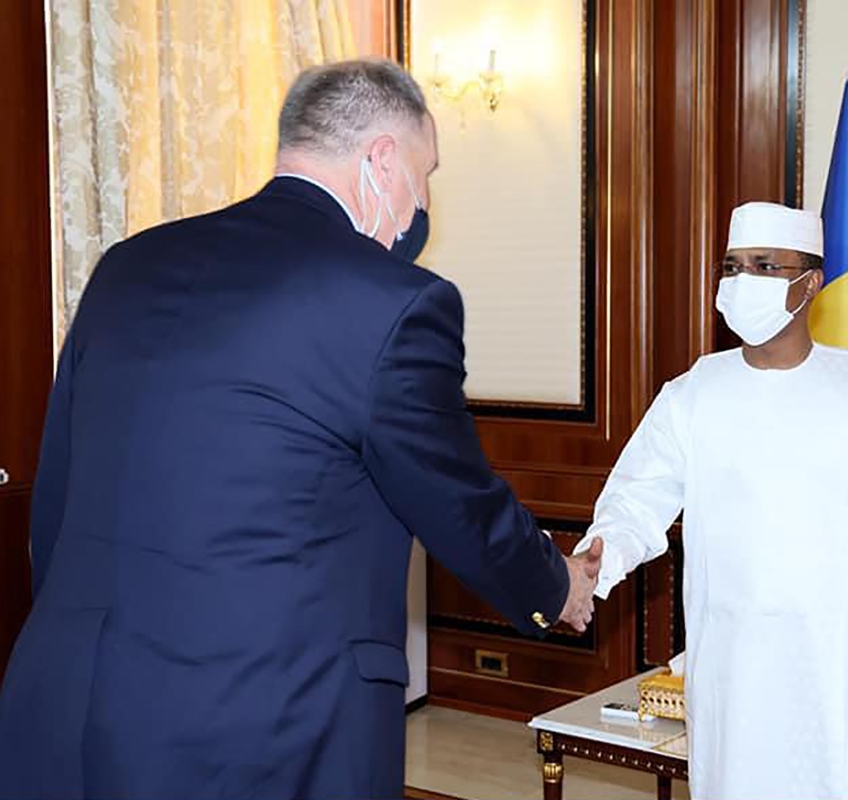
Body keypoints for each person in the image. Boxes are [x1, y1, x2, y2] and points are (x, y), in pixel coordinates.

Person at [0, 59, 603, 800]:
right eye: (426, 173)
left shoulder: (128, 266)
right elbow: (454, 498)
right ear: (382, 161)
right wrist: (556, 584)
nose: (423, 201)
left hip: (68, 696)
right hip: (256, 723)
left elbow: (57, 492)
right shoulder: (396, 302)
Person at [574, 202, 848, 799]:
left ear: (810, 283)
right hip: (735, 673)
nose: (740, 280)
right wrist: (594, 564)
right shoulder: (693, 393)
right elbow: (634, 501)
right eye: (731, 266)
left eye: (763, 265)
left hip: (845, 675)